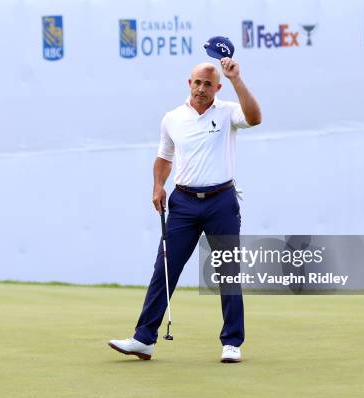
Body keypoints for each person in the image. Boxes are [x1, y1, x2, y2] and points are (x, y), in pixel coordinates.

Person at [109, 57, 262, 363]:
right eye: (197, 83)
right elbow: (164, 158)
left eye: (208, 84)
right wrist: (157, 186)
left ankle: (232, 342)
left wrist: (237, 79)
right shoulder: (172, 118)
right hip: (183, 203)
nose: (202, 89)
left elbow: (255, 118)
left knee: (227, 272)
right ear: (188, 84)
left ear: (217, 87)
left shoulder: (229, 111)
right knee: (164, 270)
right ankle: (144, 339)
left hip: (221, 201)